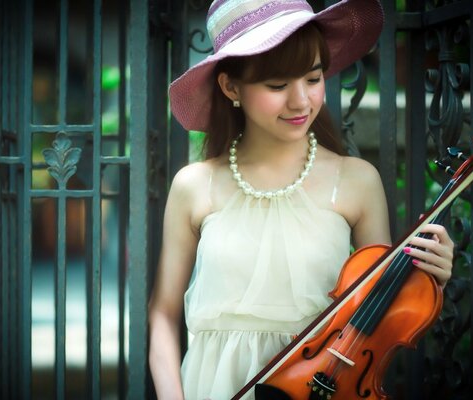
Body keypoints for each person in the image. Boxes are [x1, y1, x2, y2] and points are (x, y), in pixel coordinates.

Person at [148, 0, 455, 399]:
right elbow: (162, 313)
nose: (301, 101)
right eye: (277, 86)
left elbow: (376, 326)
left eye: (312, 79)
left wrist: (429, 277)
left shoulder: (357, 181)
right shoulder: (194, 185)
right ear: (230, 86)